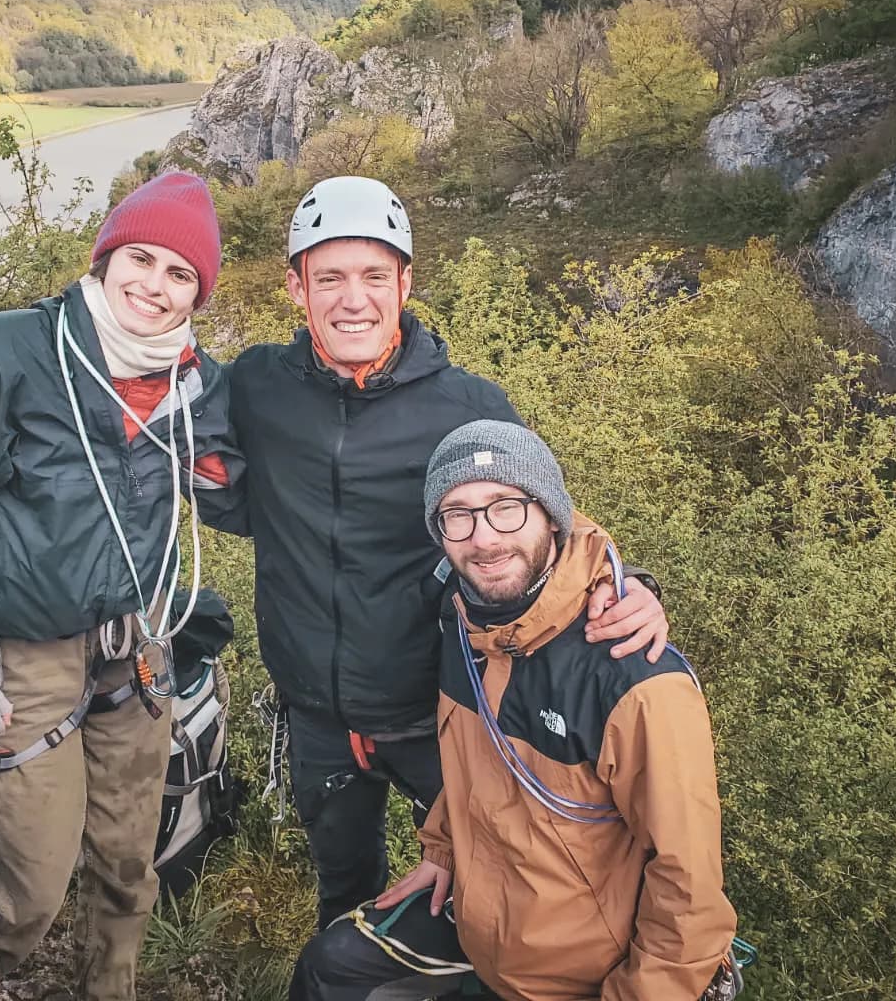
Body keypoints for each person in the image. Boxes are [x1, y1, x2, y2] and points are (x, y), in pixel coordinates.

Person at [204, 177, 667, 930]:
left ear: (405, 284)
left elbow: (544, 532)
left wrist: (626, 583)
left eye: (374, 277)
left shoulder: (467, 406)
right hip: (318, 716)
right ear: (296, 288)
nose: (353, 299)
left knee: (482, 896)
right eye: (330, 278)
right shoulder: (257, 386)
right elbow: (175, 429)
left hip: (442, 712)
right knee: (344, 894)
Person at [0, 171, 243, 999]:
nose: (153, 285)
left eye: (180, 273)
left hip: (138, 642)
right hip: (26, 652)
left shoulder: (194, 383)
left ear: (199, 293)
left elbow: (235, 491)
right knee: (32, 886)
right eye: (140, 258)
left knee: (127, 862)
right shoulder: (1, 352)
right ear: (106, 257)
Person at [289, 419, 739, 1001]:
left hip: (582, 973)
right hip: (483, 924)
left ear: (551, 514)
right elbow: (477, 769)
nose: (484, 538)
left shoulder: (632, 675)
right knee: (331, 968)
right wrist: (444, 848)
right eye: (458, 515)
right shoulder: (465, 624)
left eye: (507, 506)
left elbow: (690, 891)